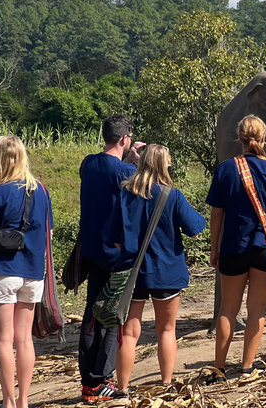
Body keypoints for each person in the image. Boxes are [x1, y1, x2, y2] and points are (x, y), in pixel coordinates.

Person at [102, 144, 206, 396]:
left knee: (129, 333)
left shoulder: (125, 194)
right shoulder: (173, 196)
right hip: (166, 272)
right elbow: (195, 228)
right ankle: (166, 384)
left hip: (131, 272)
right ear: (163, 164)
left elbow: (112, 237)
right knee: (167, 330)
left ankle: (123, 390)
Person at [206, 115, 266, 383]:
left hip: (232, 246)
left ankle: (219, 369)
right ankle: (247, 368)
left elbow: (217, 215)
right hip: (265, 248)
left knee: (227, 311)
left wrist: (214, 249)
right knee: (256, 311)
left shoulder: (224, 169)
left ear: (239, 138)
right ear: (264, 138)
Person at [0, 136, 54, 408]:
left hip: (2, 271)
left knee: (3, 340)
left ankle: (7, 402)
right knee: (24, 339)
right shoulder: (41, 190)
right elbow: (48, 233)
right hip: (32, 272)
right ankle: (23, 401)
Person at [78, 115, 145, 402]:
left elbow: (107, 174)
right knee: (109, 318)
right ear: (125, 139)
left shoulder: (88, 164)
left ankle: (88, 381)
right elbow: (133, 193)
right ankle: (99, 381)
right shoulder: (122, 173)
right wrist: (136, 164)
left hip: (90, 250)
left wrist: (126, 161)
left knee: (91, 314)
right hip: (114, 254)